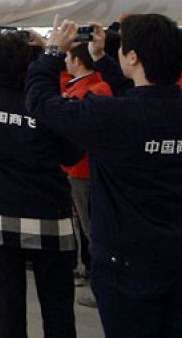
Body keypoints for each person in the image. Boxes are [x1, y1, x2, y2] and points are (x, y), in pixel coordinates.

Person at [30, 15, 182, 335]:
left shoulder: (109, 115)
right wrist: (100, 58)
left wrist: (52, 53)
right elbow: (142, 96)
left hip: (125, 259)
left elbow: (41, 103)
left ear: (132, 57)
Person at [0, 30, 81, 338]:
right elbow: (71, 154)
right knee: (57, 303)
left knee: (8, 303)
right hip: (49, 214)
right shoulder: (44, 103)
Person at [59, 40, 111, 294]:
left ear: (78, 60)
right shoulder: (94, 86)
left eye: (68, 56)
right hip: (84, 167)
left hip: (82, 168)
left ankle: (102, 283)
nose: (65, 61)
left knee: (91, 226)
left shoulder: (86, 91)